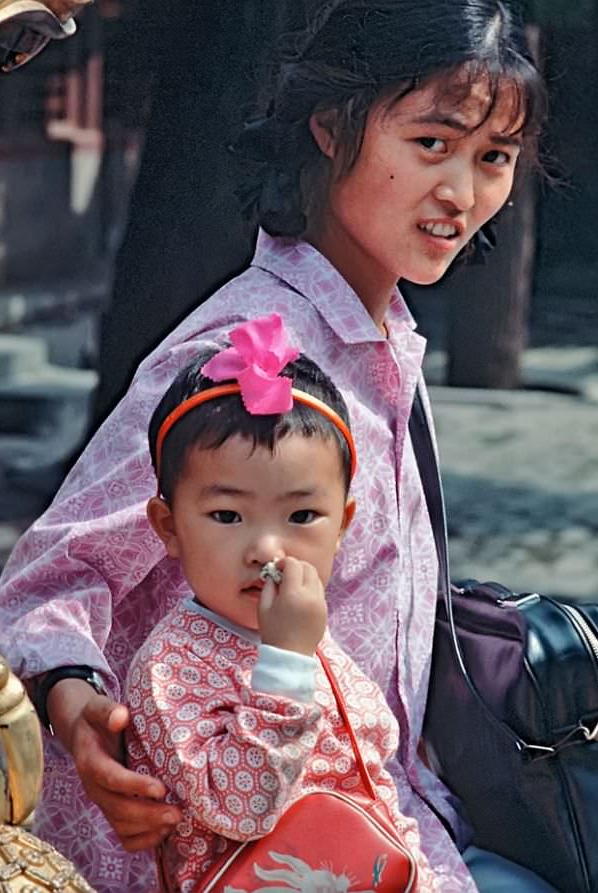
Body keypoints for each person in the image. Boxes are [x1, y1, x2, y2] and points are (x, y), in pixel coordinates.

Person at [0, 0, 556, 892]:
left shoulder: (381, 338)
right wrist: (79, 712)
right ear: (330, 128)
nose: (461, 190)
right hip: (245, 852)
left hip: (382, 826)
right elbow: (47, 583)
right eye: (432, 141)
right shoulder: (254, 355)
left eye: (491, 159)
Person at [126, 313, 438, 891]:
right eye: (227, 516)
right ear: (168, 526)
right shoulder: (171, 667)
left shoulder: (310, 633)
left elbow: (370, 783)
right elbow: (241, 810)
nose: (266, 549)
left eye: (301, 516)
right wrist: (286, 663)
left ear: (343, 524)